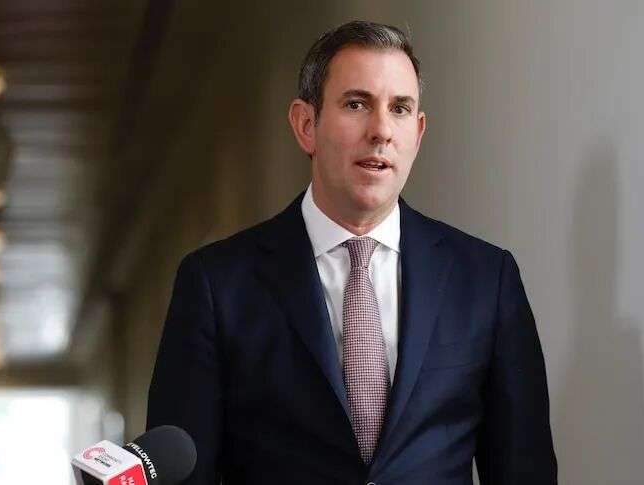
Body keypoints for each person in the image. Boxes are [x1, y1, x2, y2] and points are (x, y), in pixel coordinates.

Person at [147, 20, 557, 484]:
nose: (381, 130)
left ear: (418, 134)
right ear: (306, 125)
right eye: (357, 104)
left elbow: (526, 470)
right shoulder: (217, 283)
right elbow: (182, 471)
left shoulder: (486, 279)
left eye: (400, 109)